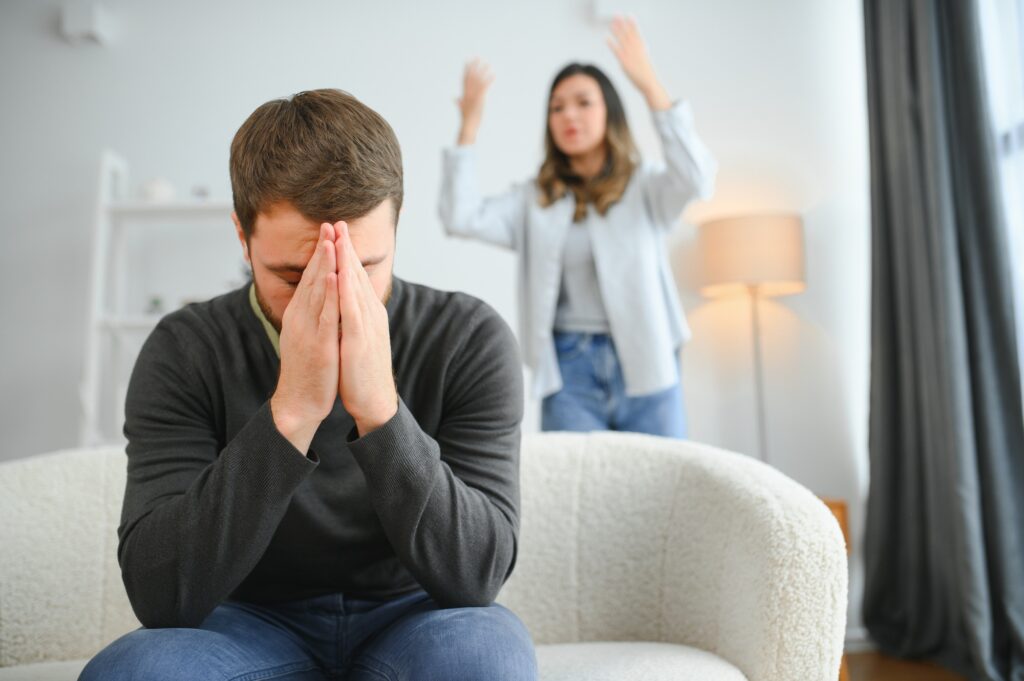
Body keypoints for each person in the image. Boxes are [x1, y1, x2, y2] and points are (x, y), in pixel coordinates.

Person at [79, 88, 536, 681]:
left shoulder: (468, 338)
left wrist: (380, 411)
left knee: (484, 660)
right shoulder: (185, 348)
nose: (332, 292)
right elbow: (161, 595)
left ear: (396, 227)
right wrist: (290, 412)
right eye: (294, 274)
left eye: (366, 266)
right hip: (245, 622)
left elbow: (477, 577)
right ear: (242, 238)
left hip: (419, 613)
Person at [439, 16, 717, 438]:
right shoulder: (535, 199)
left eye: (584, 102)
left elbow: (697, 178)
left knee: (661, 489)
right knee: (578, 496)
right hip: (569, 369)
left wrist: (649, 85)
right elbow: (460, 217)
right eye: (557, 106)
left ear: (610, 112)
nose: (569, 114)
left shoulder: (645, 186)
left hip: (647, 360)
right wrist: (469, 125)